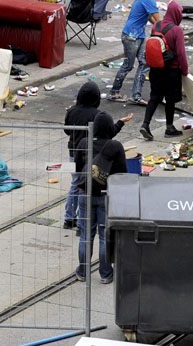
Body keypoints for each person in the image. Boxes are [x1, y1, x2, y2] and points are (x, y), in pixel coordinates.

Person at [64, 81, 132, 229]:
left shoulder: (72, 111)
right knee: (89, 186)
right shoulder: (97, 115)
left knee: (75, 185)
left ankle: (69, 217)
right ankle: (84, 221)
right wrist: (120, 123)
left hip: (73, 153)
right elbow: (108, 134)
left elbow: (67, 130)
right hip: (91, 156)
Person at [73, 113, 128, 284]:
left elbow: (78, 168)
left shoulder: (83, 144)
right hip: (106, 196)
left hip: (85, 195)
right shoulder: (116, 146)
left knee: (85, 236)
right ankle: (105, 274)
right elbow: (122, 173)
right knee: (104, 236)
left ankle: (83, 271)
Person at [108, 0, 167, 104]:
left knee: (144, 63)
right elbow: (158, 19)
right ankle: (114, 93)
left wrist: (157, 29)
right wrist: (169, 29)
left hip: (138, 35)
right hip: (131, 36)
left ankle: (136, 96)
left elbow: (151, 18)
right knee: (128, 65)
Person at [140, 1, 189, 141]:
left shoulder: (156, 25)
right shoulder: (177, 30)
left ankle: (145, 124)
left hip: (155, 69)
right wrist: (185, 71)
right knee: (170, 99)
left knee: (154, 96)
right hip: (171, 71)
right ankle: (169, 127)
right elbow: (181, 54)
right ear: (176, 14)